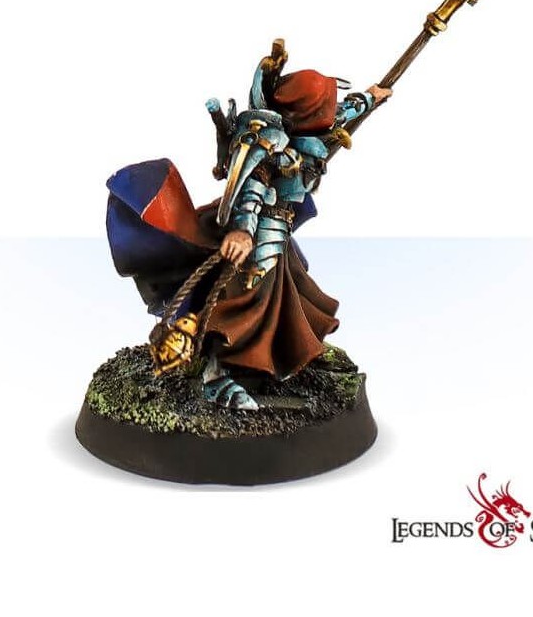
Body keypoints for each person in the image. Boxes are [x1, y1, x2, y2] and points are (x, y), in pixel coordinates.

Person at [104, 46, 391, 409]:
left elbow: (339, 114)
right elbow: (253, 187)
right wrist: (242, 231)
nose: (330, 113)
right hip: (261, 232)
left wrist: (370, 98)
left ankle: (287, 357)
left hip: (280, 231)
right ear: (307, 113)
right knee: (248, 304)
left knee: (290, 295)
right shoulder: (269, 144)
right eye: (324, 106)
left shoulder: (308, 130)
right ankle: (216, 375)